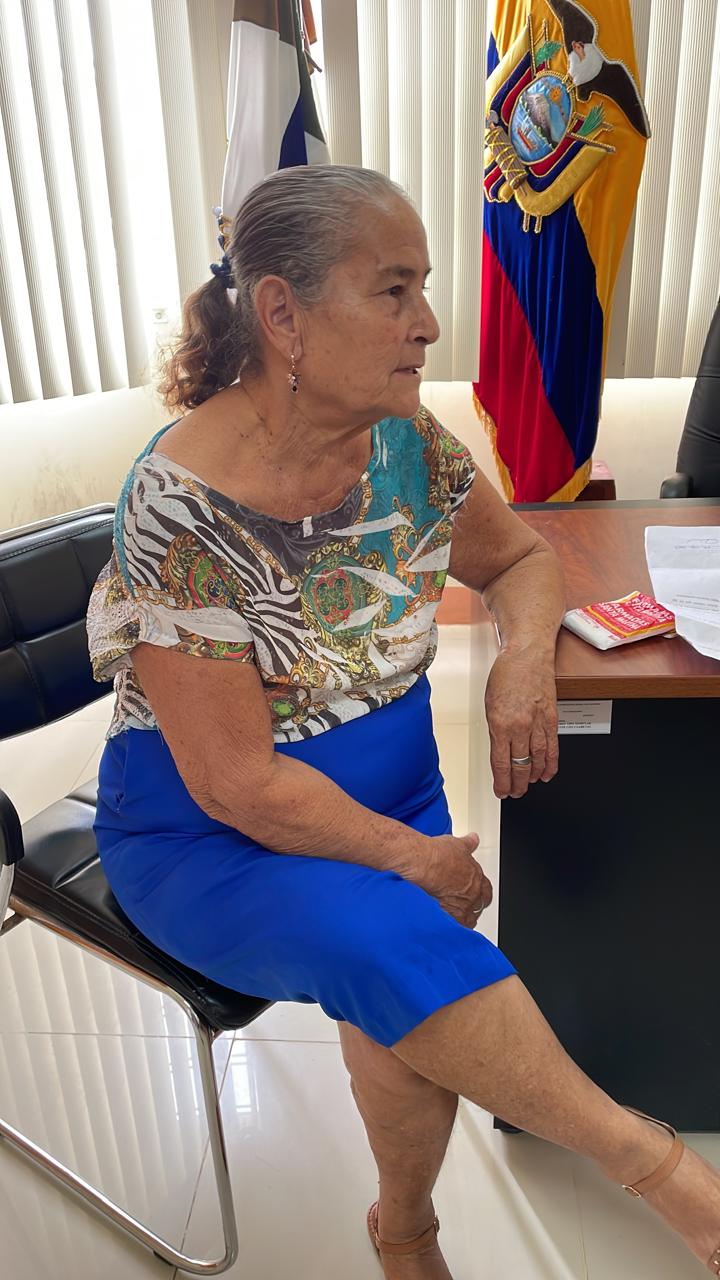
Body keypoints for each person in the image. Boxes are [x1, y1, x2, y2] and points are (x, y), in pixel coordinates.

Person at [86, 165, 720, 1279]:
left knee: (403, 989)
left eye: (421, 287)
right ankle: (668, 1175)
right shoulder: (178, 508)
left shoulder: (401, 436)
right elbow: (239, 783)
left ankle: (404, 1225)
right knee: (398, 944)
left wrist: (522, 659)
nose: (428, 323)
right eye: (394, 290)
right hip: (208, 831)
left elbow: (520, 558)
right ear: (282, 314)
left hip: (389, 785)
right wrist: (415, 857)